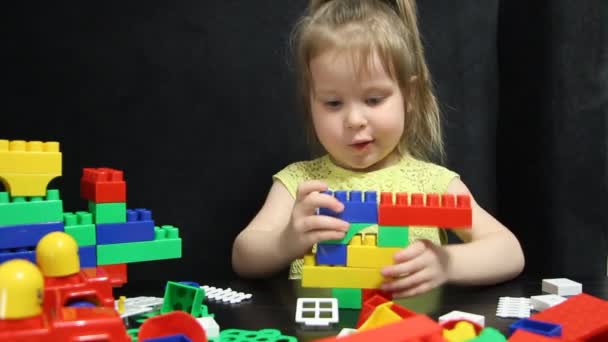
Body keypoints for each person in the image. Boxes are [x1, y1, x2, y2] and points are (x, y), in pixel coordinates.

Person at [232, 0, 524, 298]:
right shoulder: (300, 185)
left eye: (373, 100)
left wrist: (446, 262)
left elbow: (509, 251)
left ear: (408, 95)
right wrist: (286, 241)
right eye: (333, 103)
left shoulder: (434, 186)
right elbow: (244, 255)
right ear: (310, 102)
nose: (355, 120)